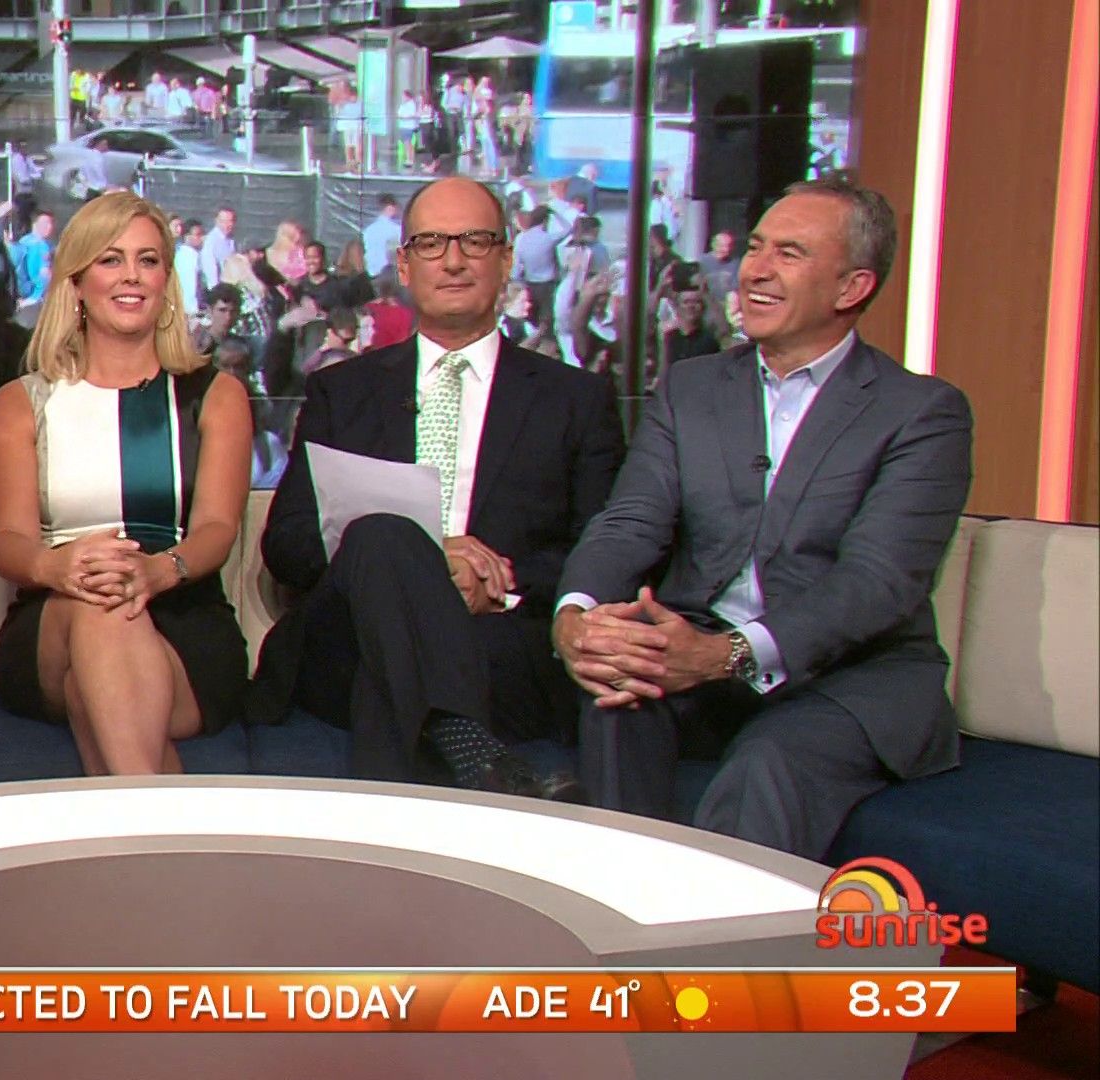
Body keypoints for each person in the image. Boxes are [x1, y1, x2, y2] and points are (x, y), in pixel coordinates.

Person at [554, 178, 974, 860]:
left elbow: (877, 581)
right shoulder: (692, 387)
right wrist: (575, 615)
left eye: (789, 253)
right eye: (755, 248)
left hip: (846, 678)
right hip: (700, 650)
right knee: (616, 695)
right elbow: (630, 521)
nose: (755, 270)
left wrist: (725, 654)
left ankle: (723, 933)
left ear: (852, 287)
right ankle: (616, 908)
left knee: (767, 766)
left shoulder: (921, 413)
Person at [249, 177, 625, 796]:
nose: (453, 261)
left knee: (389, 673)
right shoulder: (342, 391)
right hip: (346, 637)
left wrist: (493, 579)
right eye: (431, 243)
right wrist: (424, 561)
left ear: (506, 259)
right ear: (404, 264)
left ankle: (441, 766)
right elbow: (288, 545)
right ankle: (473, 752)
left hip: (496, 644)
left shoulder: (575, 400)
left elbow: (602, 549)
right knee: (382, 536)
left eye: (474, 241)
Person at [0, 192, 254, 775]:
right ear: (77, 282)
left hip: (183, 613)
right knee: (101, 607)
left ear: (166, 281)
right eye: (111, 259)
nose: (131, 275)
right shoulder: (23, 402)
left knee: (97, 680)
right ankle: (160, 815)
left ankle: (141, 812)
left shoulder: (214, 395)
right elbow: (9, 541)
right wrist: (58, 568)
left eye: (148, 260)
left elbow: (216, 527)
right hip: (54, 615)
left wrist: (157, 571)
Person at [13, 210, 56, 306]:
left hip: (21, 293)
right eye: (45, 223)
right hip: (35, 297)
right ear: (34, 225)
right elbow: (44, 275)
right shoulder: (42, 245)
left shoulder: (24, 240)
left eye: (51, 223)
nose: (49, 227)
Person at [362, 194, 402, 285]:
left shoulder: (368, 230)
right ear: (390, 208)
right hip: (388, 276)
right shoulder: (396, 230)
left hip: (370, 273)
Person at [199, 205, 238, 291]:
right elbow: (209, 269)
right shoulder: (211, 241)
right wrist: (216, 291)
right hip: (219, 290)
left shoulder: (231, 240)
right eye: (223, 221)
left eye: (230, 221)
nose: (226, 225)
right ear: (216, 221)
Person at [175, 218, 206, 316]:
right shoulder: (191, 257)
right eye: (198, 235)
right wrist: (195, 310)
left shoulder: (179, 254)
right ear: (187, 237)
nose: (202, 238)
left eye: (203, 234)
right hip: (190, 310)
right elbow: (191, 286)